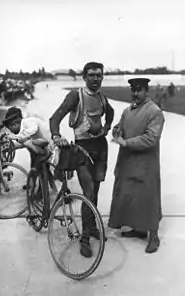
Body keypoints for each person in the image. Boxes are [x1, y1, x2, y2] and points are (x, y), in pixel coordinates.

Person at [49, 61, 114, 258]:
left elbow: (110, 113)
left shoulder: (102, 98)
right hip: (82, 149)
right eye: (92, 75)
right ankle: (84, 239)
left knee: (96, 191)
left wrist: (107, 128)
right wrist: (56, 136)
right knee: (89, 192)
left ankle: (91, 227)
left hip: (100, 148)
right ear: (84, 77)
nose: (96, 79)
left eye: (99, 75)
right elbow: (55, 118)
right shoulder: (75, 96)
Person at [108, 78, 165, 254]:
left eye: (139, 90)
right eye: (133, 89)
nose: (135, 93)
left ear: (146, 91)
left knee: (148, 197)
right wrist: (117, 130)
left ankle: (153, 236)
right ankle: (138, 229)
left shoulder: (154, 112)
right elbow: (121, 127)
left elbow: (151, 138)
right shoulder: (128, 110)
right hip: (128, 161)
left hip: (146, 163)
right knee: (131, 195)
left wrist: (125, 143)